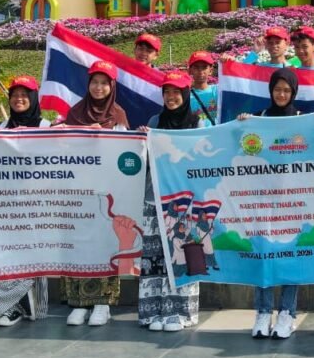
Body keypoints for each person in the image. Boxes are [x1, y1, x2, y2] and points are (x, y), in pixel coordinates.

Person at [61, 61, 131, 327]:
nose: (98, 87)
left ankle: (103, 303)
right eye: (94, 82)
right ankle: (79, 303)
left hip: (105, 192)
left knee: (103, 244)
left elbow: (124, 152)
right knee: (78, 244)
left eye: (104, 83)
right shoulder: (75, 112)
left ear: (111, 86)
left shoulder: (118, 115)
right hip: (77, 190)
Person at [0, 76, 51, 328]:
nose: (19, 99)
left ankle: (32, 306)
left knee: (32, 255)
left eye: (24, 95)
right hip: (2, 204)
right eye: (15, 95)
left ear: (33, 98)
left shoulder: (47, 127)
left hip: (35, 204)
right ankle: (8, 307)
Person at [237, 68, 300, 339]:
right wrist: (241, 125)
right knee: (263, 254)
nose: (281, 94)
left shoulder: (302, 119)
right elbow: (240, 147)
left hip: (293, 202)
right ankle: (263, 312)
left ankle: (287, 313)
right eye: (277, 89)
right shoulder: (259, 118)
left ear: (294, 92)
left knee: (289, 256)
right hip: (262, 201)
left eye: (286, 90)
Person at [138, 71, 203, 332]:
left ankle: (179, 312)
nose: (171, 97)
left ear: (186, 94)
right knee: (154, 255)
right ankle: (154, 310)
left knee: (181, 254)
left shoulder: (196, 124)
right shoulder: (155, 121)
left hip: (184, 202)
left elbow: (201, 160)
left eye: (176, 92)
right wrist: (141, 141)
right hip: (153, 198)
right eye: (167, 92)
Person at [187, 50, 218, 126]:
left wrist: (230, 63)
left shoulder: (217, 91)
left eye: (204, 67)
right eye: (196, 67)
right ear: (190, 71)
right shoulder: (185, 96)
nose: (200, 71)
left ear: (210, 70)